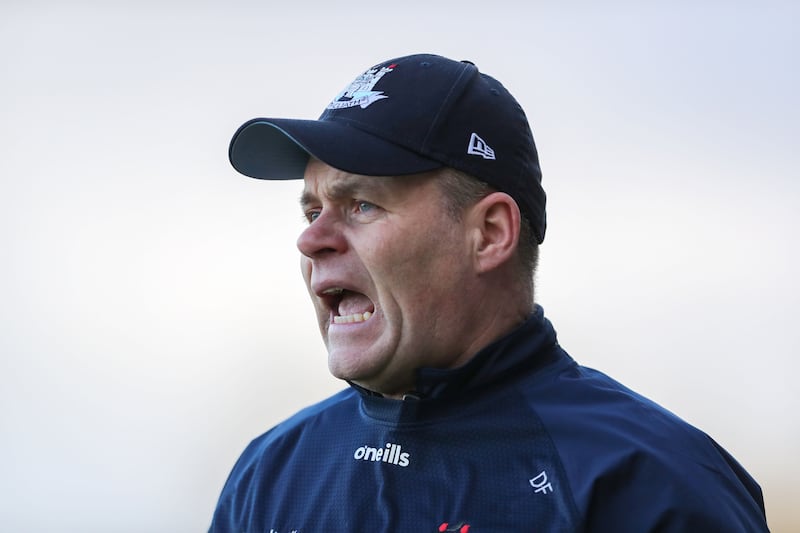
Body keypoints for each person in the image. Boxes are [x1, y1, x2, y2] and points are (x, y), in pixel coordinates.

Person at [210, 53, 769, 532]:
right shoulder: (271, 473)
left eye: (362, 205)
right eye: (312, 211)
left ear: (491, 233)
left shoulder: (649, 484)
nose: (311, 240)